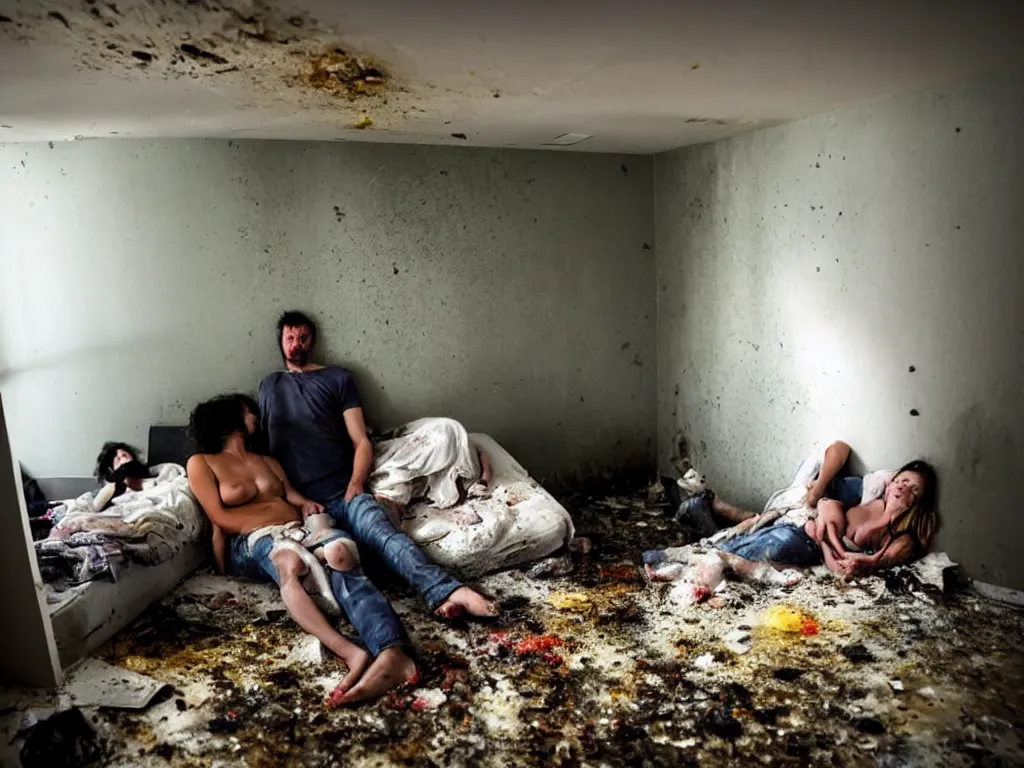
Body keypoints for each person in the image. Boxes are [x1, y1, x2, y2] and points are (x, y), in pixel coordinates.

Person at [257, 311, 499, 620]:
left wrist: (356, 484)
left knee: (382, 534)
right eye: (289, 339)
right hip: (305, 507)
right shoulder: (269, 386)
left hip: (345, 490)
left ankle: (450, 591)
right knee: (341, 560)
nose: (295, 345)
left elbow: (361, 441)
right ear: (280, 341)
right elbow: (264, 455)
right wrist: (294, 501)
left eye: (302, 338)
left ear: (313, 342)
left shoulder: (337, 378)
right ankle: (391, 633)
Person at [186, 394, 418, 705]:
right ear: (232, 417)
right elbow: (221, 518)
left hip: (297, 529)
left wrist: (305, 504)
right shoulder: (202, 462)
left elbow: (293, 497)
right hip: (252, 541)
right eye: (249, 412)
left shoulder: (268, 461)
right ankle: (351, 653)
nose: (256, 417)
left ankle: (394, 653)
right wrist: (277, 521)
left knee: (340, 554)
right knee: (290, 561)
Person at [711, 459, 939, 579]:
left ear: (917, 501)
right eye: (901, 480)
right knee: (727, 547)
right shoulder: (869, 496)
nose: (902, 486)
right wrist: (823, 507)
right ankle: (712, 549)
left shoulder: (902, 533)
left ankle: (715, 556)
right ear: (890, 483)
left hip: (807, 543)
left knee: (779, 543)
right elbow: (830, 500)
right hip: (802, 525)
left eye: (913, 488)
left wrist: (823, 541)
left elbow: (864, 564)